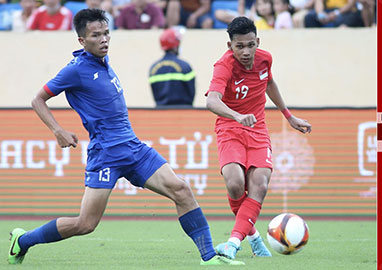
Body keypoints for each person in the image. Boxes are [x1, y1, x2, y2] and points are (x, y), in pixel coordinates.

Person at [8, 8, 244, 266]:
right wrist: (58, 130)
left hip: (133, 148)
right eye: (96, 35)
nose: (104, 39)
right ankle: (23, 240)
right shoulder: (74, 70)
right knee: (86, 224)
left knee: (182, 190)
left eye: (106, 33)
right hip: (105, 154)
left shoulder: (103, 61)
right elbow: (37, 99)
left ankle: (209, 258)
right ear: (82, 41)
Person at [205, 16, 312, 259]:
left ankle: (232, 243)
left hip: (258, 130)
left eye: (251, 44)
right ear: (229, 46)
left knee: (260, 184)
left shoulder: (265, 59)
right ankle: (253, 238)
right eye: (240, 46)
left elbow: (270, 83)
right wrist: (236, 115)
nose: (246, 51)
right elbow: (212, 100)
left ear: (258, 42)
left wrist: (289, 116)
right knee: (234, 184)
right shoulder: (224, 66)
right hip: (230, 128)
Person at [149, 27, 196, 107]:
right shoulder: (185, 66)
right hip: (184, 112)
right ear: (175, 45)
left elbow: (155, 93)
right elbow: (191, 92)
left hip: (160, 113)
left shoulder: (153, 69)